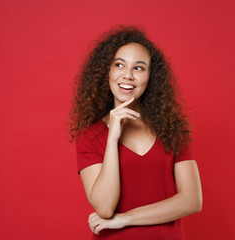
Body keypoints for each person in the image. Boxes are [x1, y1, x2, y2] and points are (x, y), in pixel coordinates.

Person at [69, 25, 202, 239]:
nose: (128, 75)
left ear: (151, 77)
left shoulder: (171, 129)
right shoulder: (90, 136)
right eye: (119, 65)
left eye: (139, 68)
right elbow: (104, 207)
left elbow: (192, 200)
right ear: (107, 72)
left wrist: (126, 218)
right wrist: (113, 139)